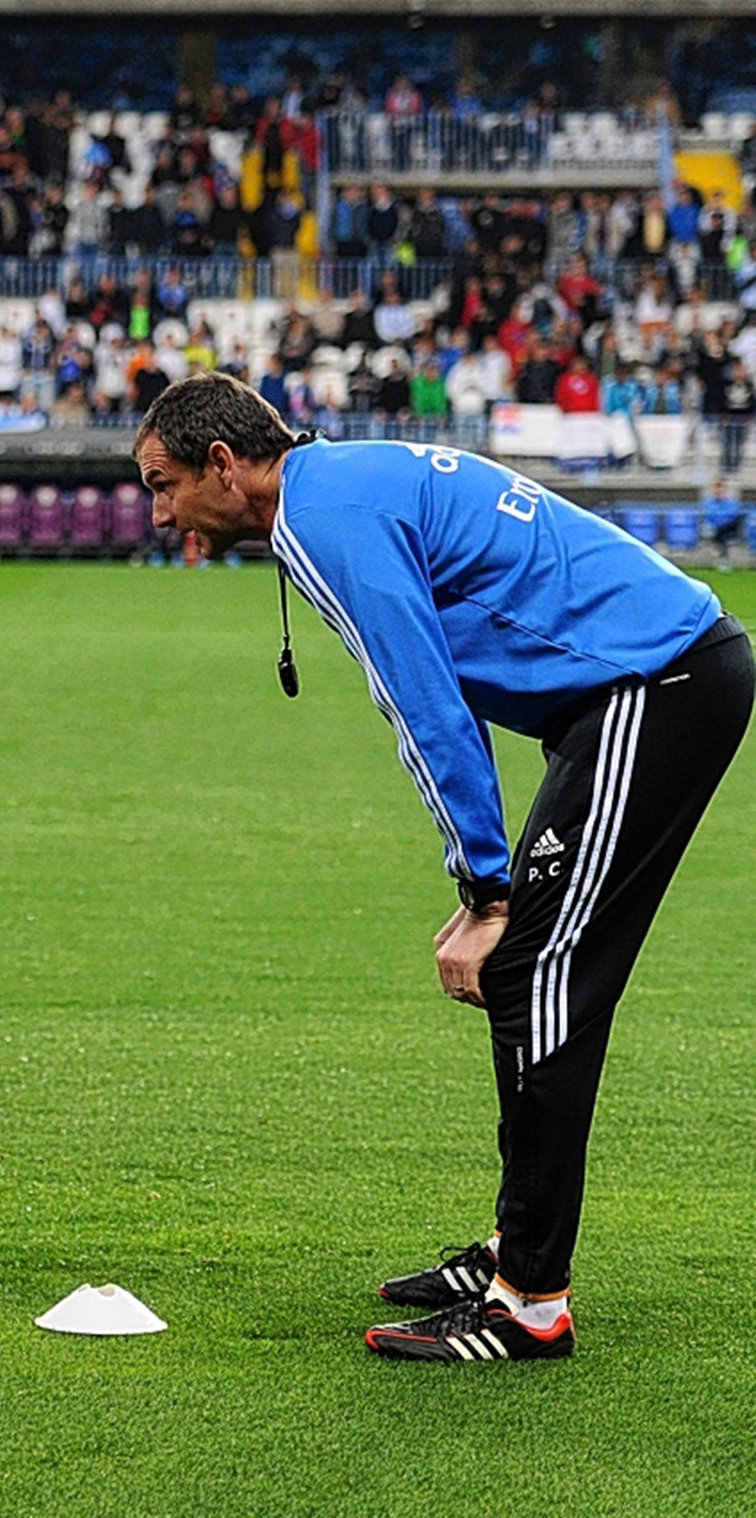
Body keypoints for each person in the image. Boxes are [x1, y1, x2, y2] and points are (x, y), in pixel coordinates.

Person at [137, 372, 751, 1362]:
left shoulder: (320, 516)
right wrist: (485, 882)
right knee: (527, 974)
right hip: (631, 692)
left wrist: (484, 888)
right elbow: (446, 687)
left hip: (656, 681)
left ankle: (529, 1301)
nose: (160, 513)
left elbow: (419, 702)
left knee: (536, 976)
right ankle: (516, 1247)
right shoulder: (337, 484)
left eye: (161, 484)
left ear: (222, 465)